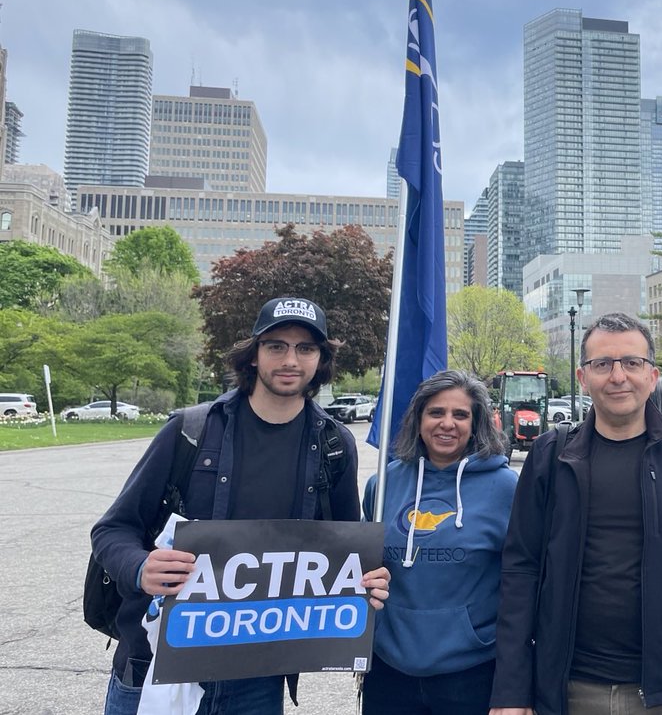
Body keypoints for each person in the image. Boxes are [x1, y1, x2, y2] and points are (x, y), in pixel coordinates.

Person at [91, 296, 391, 715]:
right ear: (253, 355)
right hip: (156, 663)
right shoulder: (191, 430)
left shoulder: (334, 444)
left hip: (257, 677)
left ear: (320, 360)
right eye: (276, 346)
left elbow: (343, 555)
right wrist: (141, 568)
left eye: (305, 348)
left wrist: (366, 583)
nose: (291, 360)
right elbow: (112, 530)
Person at [489, 312, 662, 715]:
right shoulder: (551, 456)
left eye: (631, 363)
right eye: (602, 364)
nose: (618, 376)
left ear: (652, 376)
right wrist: (511, 692)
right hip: (568, 688)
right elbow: (521, 571)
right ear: (583, 378)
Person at [361, 370, 517, 715]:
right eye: (436, 413)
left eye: (460, 414)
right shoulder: (383, 485)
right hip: (389, 671)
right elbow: (358, 565)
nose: (448, 423)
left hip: (470, 673)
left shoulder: (507, 488)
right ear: (418, 419)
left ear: (476, 423)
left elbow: (522, 583)